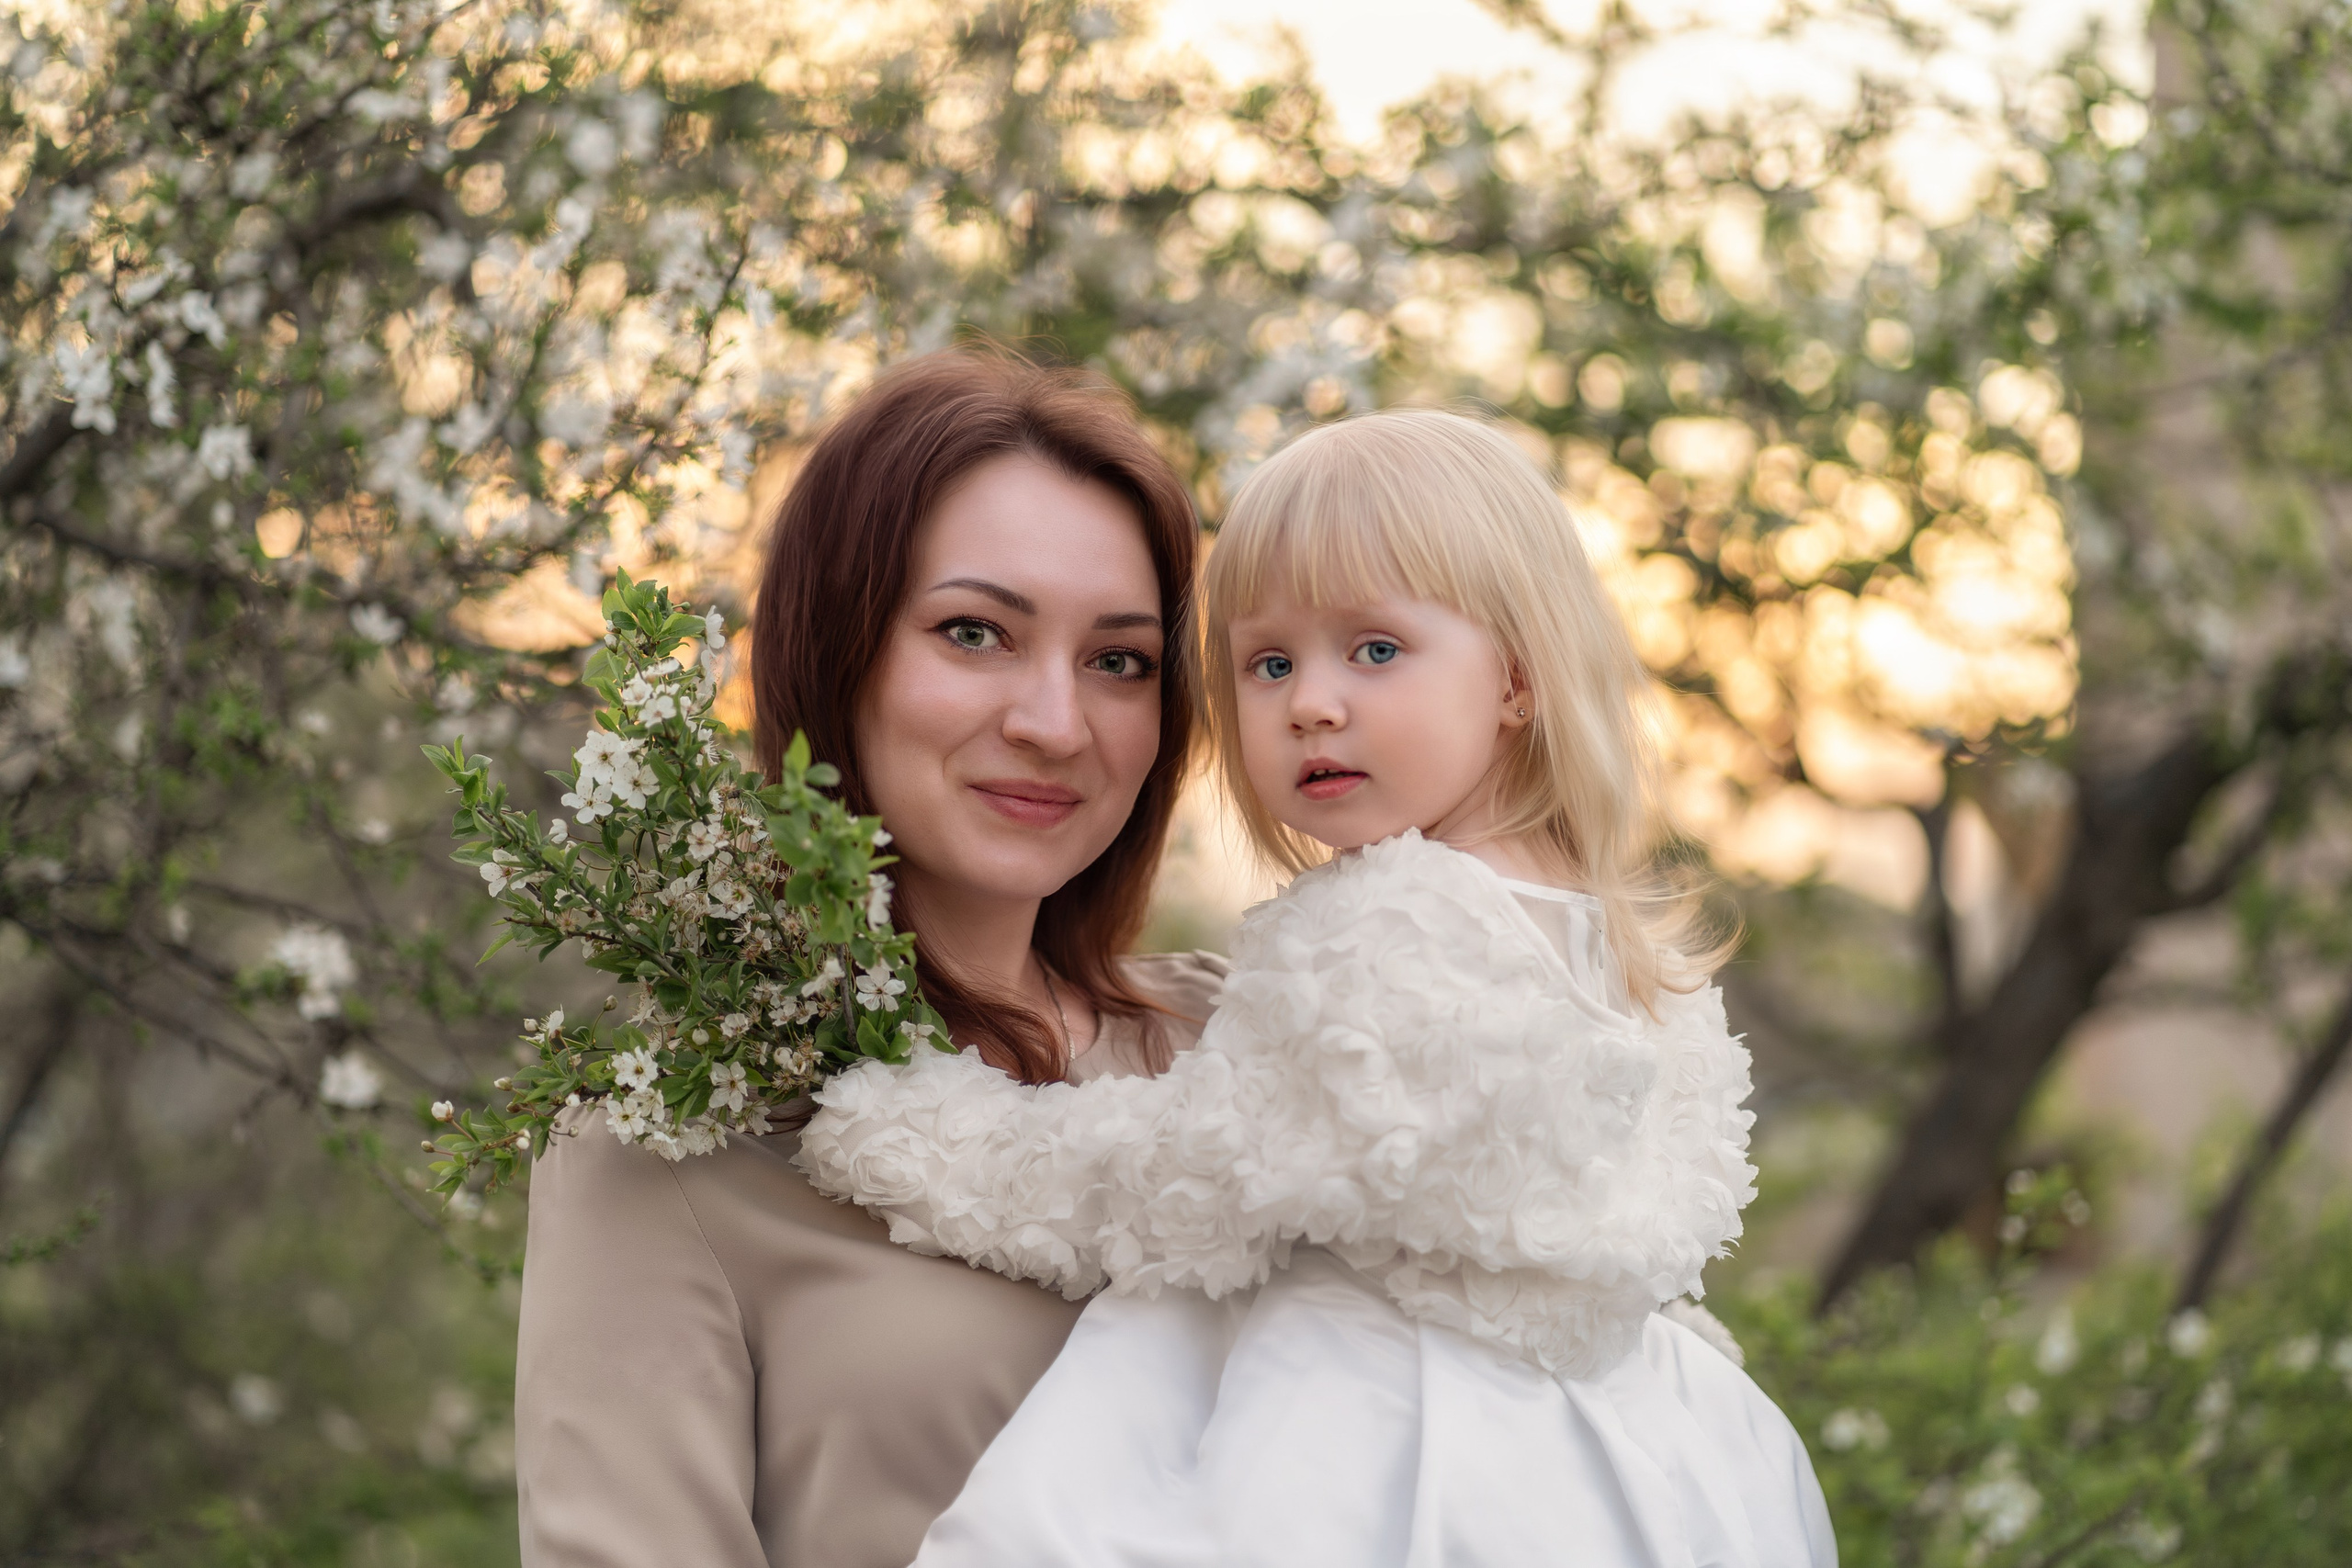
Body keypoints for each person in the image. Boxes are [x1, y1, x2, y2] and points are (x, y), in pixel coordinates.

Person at [800, 408, 1838, 1566]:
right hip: (1626, 1443)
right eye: (1270, 661)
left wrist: (921, 1133)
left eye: (1375, 650)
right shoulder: (1614, 948)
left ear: (1514, 677)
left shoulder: (1400, 924)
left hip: (1392, 1436)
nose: (1312, 702)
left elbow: (1189, 1176)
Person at [512, 350, 1226, 1567]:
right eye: (975, 632)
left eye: (1120, 659)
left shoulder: (1242, 1048)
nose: (1056, 721)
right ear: (839, 651)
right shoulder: (677, 1147)